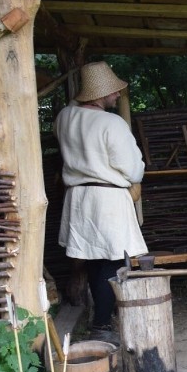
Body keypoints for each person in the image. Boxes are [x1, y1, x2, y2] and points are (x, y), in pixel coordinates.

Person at [56, 61, 147, 342]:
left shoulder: (64, 117)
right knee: (111, 262)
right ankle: (103, 325)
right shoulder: (111, 122)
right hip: (107, 199)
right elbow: (132, 169)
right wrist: (137, 173)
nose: (118, 96)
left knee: (95, 260)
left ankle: (102, 319)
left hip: (79, 198)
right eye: (113, 92)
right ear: (100, 93)